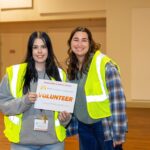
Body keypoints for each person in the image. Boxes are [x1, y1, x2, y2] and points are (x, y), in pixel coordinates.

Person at [0, 31, 71, 150]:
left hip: (53, 143)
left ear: (49, 50)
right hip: (22, 144)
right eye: (35, 47)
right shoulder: (14, 74)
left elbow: (67, 111)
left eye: (43, 47)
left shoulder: (60, 75)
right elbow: (3, 106)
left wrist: (65, 118)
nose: (39, 51)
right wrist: (25, 101)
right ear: (30, 50)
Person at [66, 27, 128, 150]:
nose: (79, 44)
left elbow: (118, 101)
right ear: (70, 43)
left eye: (84, 40)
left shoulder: (105, 65)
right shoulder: (72, 68)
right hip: (83, 127)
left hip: (104, 126)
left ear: (90, 43)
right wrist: (75, 128)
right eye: (76, 39)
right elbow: (74, 101)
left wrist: (119, 133)